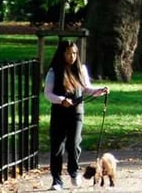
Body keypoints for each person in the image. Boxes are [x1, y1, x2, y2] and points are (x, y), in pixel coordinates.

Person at [44, 40, 109, 191]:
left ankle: (73, 171)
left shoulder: (81, 69)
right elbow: (48, 93)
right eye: (68, 53)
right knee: (57, 146)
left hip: (76, 112)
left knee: (74, 144)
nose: (72, 56)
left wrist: (100, 90)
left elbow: (86, 89)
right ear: (62, 54)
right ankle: (56, 180)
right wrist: (61, 100)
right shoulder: (54, 71)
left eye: (74, 53)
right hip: (59, 113)